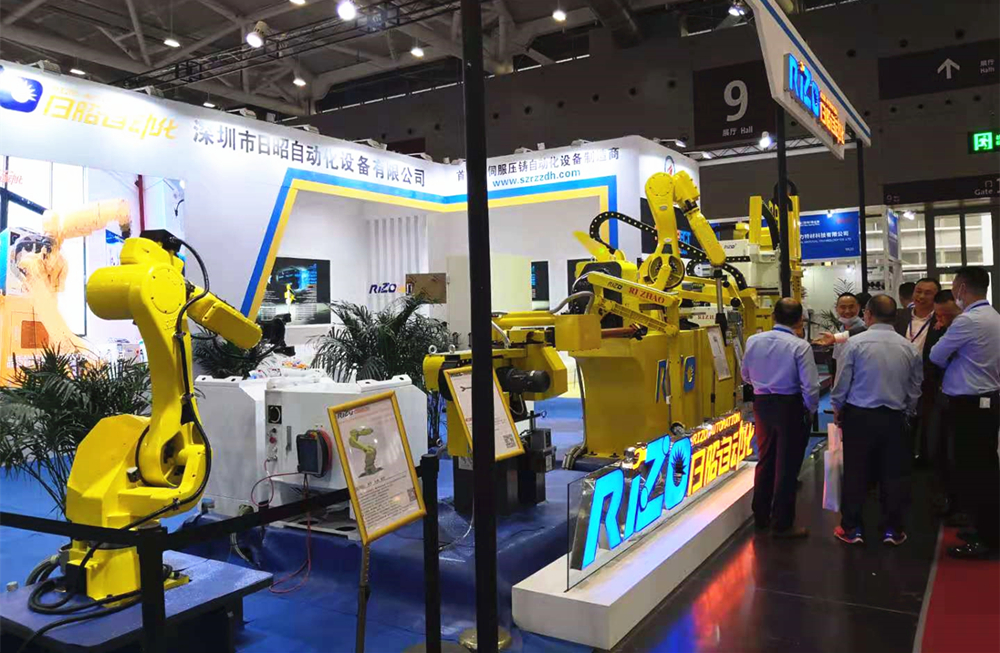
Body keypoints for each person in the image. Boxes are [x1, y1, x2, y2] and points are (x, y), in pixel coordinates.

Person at [831, 295, 923, 546]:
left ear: (868, 314)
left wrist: (838, 408)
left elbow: (842, 382)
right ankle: (893, 530)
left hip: (859, 417)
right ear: (894, 317)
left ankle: (852, 529)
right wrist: (907, 412)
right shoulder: (909, 347)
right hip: (895, 417)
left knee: (855, 473)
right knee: (894, 474)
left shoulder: (854, 344)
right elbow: (915, 388)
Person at [929, 266, 1000, 559]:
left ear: (961, 288)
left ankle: (987, 538)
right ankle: (986, 529)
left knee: (975, 472)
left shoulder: (967, 321)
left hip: (969, 405)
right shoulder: (994, 316)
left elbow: (936, 355)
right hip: (987, 402)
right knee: (985, 468)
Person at [742, 298, 820, 538]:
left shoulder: (753, 340)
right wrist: (810, 409)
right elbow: (810, 386)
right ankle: (782, 524)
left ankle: (761, 516)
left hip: (762, 404)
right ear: (799, 320)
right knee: (787, 465)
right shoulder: (800, 346)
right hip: (790, 405)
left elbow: (745, 375)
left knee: (765, 459)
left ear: (773, 316)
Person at [894, 278, 942, 464]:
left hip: (929, 379)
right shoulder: (899, 316)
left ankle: (923, 459)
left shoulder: (942, 319)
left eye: (928, 293)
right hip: (898, 378)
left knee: (926, 421)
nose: (921, 296)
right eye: (918, 291)